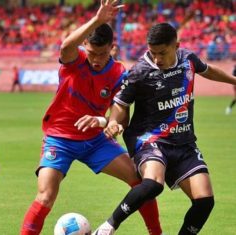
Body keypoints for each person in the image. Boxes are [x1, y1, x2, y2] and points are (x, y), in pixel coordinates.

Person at [20, 1, 163, 235]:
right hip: (60, 139)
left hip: (95, 141)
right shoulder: (73, 62)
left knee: (139, 180)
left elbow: (120, 112)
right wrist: (98, 20)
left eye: (103, 53)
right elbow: (66, 45)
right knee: (46, 196)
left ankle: (157, 233)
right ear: (84, 45)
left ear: (112, 48)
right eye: (92, 52)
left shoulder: (118, 73)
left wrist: (110, 122)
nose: (96, 59)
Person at [93, 22, 236, 235]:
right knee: (153, 183)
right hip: (149, 139)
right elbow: (121, 104)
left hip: (184, 142)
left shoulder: (188, 59)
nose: (157, 59)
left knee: (205, 200)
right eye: (153, 53)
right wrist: (113, 122)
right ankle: (107, 227)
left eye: (162, 53)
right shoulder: (140, 71)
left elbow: (208, 70)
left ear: (176, 45)